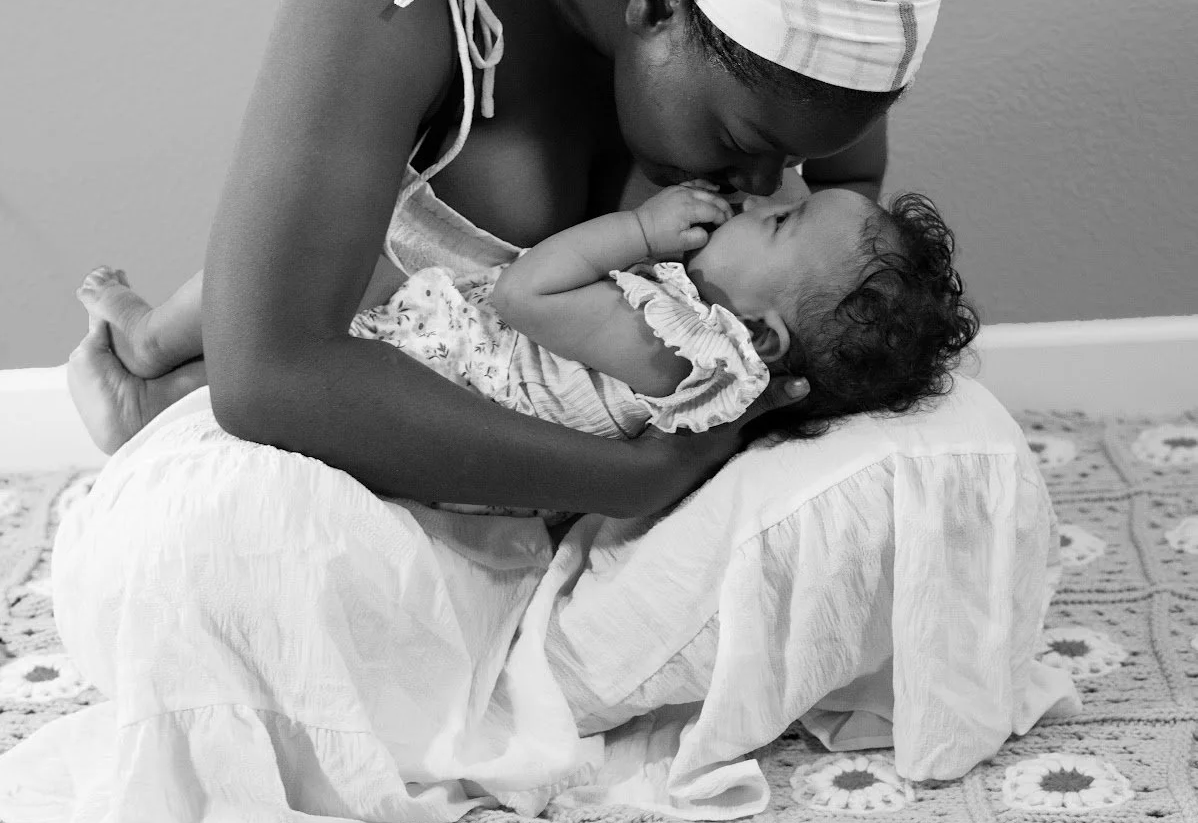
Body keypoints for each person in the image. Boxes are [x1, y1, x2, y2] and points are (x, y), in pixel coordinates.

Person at [0, 0, 1069, 823]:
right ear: (659, 4)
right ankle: (504, 675)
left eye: (816, 153)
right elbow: (275, 369)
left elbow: (831, 307)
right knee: (188, 558)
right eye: (749, 139)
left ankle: (481, 682)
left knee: (965, 458)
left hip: (617, 514)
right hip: (406, 466)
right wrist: (640, 477)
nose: (780, 176)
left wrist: (740, 416)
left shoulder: (797, 90)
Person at [70, 171, 977, 500]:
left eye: (781, 225)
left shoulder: (672, 355)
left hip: (438, 369)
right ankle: (156, 408)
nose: (761, 203)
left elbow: (527, 294)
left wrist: (644, 232)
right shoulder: (708, 379)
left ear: (765, 337)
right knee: (297, 338)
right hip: (443, 382)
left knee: (305, 254)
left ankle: (151, 346)